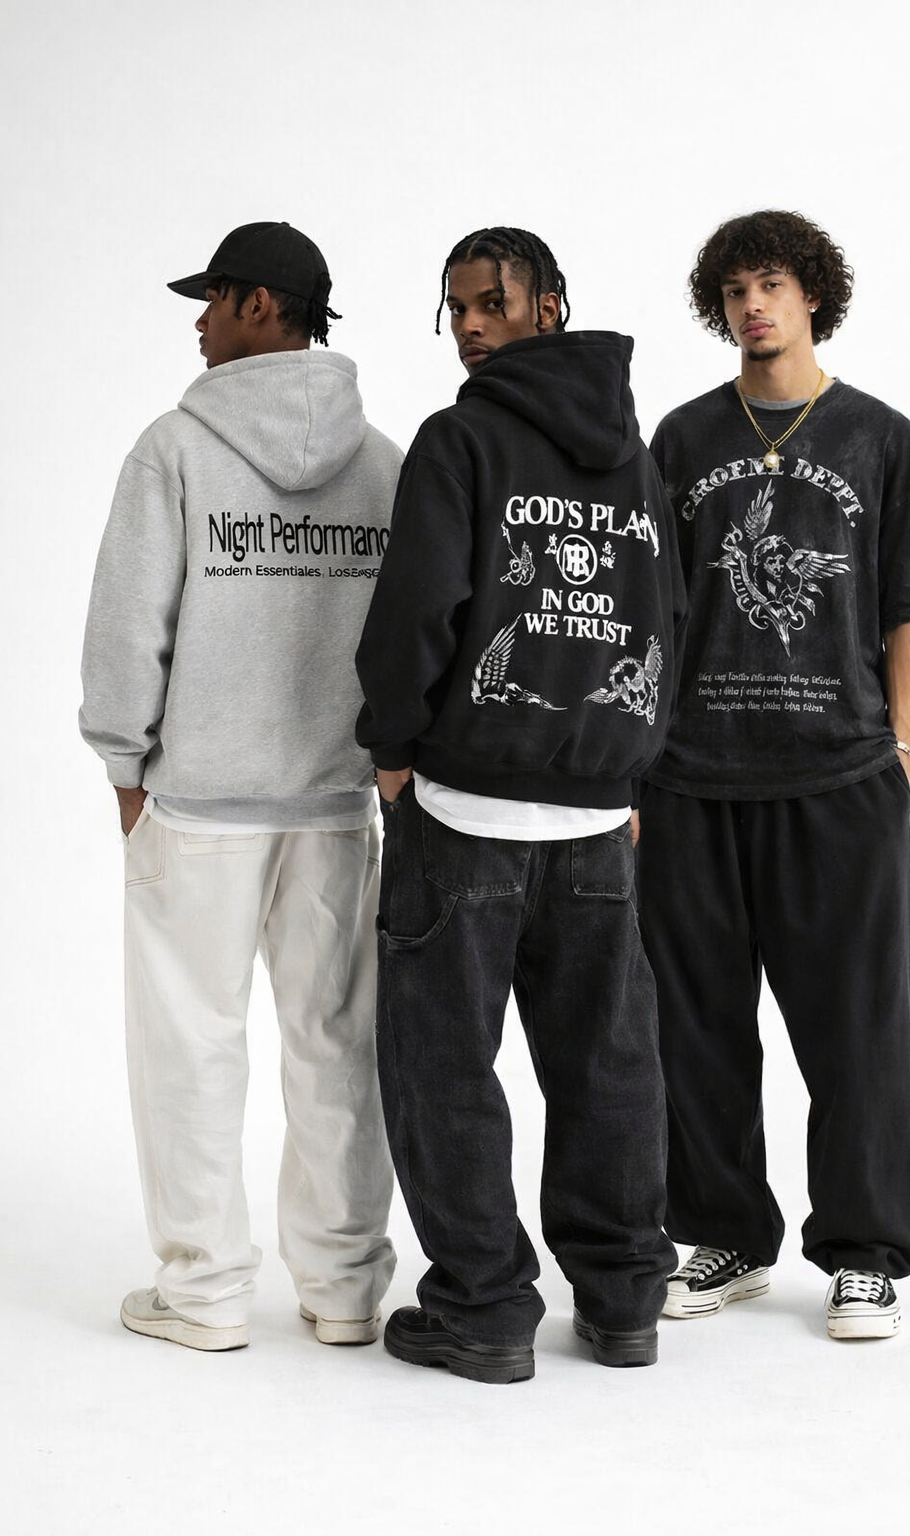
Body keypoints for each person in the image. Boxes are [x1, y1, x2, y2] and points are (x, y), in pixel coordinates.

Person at [639, 209, 910, 1340]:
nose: (753, 306)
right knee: (694, 1027)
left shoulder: (879, 437)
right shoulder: (683, 439)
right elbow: (649, 611)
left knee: (859, 1029)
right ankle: (726, 1237)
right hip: (690, 784)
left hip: (840, 784)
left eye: (772, 284)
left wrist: (903, 750)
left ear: (813, 294)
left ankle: (865, 1254)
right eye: (735, 290)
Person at [355, 226, 686, 1383]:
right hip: (596, 818)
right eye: (455, 308)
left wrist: (392, 748)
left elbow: (414, 610)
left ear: (550, 305)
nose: (470, 326)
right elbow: (664, 617)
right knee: (609, 1060)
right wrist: (628, 766)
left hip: (466, 810)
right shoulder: (632, 460)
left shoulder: (460, 440)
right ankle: (624, 1300)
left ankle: (486, 1309)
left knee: (442, 1062)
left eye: (491, 302)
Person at [80, 221, 401, 1350]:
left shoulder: (174, 449)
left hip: (203, 804)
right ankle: (347, 1288)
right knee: (339, 1045)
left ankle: (206, 1292)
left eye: (213, 298)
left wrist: (124, 761)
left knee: (191, 1042)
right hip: (337, 807)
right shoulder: (383, 463)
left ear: (261, 304)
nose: (200, 321)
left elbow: (130, 622)